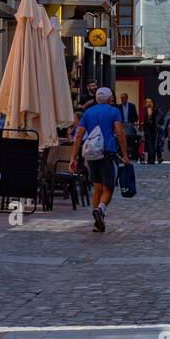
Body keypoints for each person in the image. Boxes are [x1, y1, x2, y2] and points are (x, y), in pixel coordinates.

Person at [69, 85, 128, 233]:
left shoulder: (88, 112)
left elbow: (79, 135)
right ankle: (101, 210)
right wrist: (126, 155)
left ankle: (97, 223)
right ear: (109, 99)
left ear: (96, 99)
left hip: (92, 153)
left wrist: (73, 157)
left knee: (97, 187)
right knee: (108, 187)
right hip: (107, 151)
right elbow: (120, 133)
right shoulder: (114, 111)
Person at [117, 93, 139, 158]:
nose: (122, 100)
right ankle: (122, 153)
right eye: (121, 98)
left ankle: (130, 153)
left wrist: (134, 122)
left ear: (127, 98)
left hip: (129, 124)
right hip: (122, 125)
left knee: (130, 139)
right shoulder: (119, 106)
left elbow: (135, 116)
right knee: (122, 139)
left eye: (123, 98)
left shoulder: (132, 106)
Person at [142, 98, 158, 165]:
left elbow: (149, 114)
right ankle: (151, 159)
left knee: (150, 144)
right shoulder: (153, 108)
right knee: (152, 144)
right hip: (152, 128)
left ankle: (151, 159)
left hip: (149, 129)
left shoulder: (149, 108)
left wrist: (148, 121)